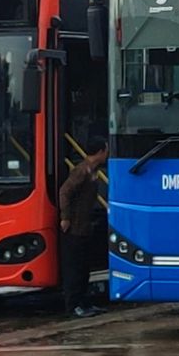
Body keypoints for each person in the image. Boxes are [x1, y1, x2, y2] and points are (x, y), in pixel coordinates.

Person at [60, 136, 108, 318]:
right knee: (74, 269)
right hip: (74, 230)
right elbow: (64, 192)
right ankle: (73, 306)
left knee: (84, 269)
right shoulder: (81, 172)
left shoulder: (93, 171)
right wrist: (65, 218)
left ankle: (84, 302)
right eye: (106, 150)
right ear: (100, 152)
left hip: (85, 228)